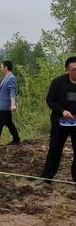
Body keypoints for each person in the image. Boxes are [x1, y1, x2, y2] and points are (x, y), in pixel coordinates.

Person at [41, 56, 76, 184]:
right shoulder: (57, 82)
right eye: (74, 69)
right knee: (55, 149)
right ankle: (47, 178)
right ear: (67, 70)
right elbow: (50, 100)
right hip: (60, 122)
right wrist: (62, 111)